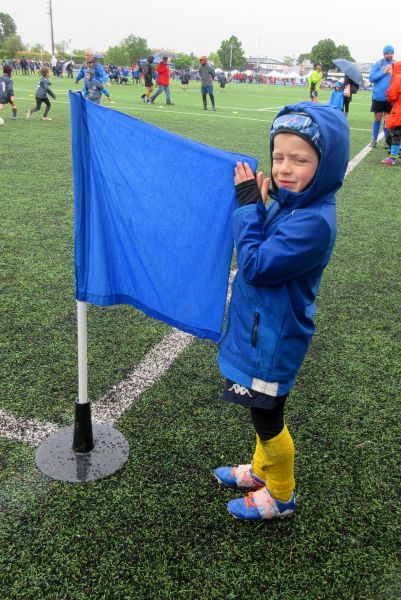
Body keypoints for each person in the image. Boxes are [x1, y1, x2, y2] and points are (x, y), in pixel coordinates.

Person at [214, 103, 350, 521]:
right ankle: (260, 470)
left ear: (325, 166)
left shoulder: (313, 222)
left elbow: (255, 265)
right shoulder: (293, 204)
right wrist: (266, 204)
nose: (285, 168)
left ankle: (281, 494)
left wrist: (247, 205)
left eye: (300, 159)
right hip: (262, 331)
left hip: (272, 340)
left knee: (267, 416)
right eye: (278, 156)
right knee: (261, 410)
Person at [368, 45, 394, 148]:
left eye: (391, 53)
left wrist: (392, 74)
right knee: (377, 118)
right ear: (384, 54)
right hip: (378, 97)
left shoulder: (395, 64)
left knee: (387, 120)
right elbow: (371, 78)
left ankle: (387, 141)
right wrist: (383, 72)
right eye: (388, 53)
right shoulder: (378, 64)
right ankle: (374, 140)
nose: (390, 55)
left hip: (390, 97)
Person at [380, 61, 401, 165]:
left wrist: (388, 92)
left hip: (399, 110)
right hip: (398, 109)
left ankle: (392, 158)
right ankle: (396, 152)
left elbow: (392, 95)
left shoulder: (398, 78)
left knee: (394, 133)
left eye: (391, 68)